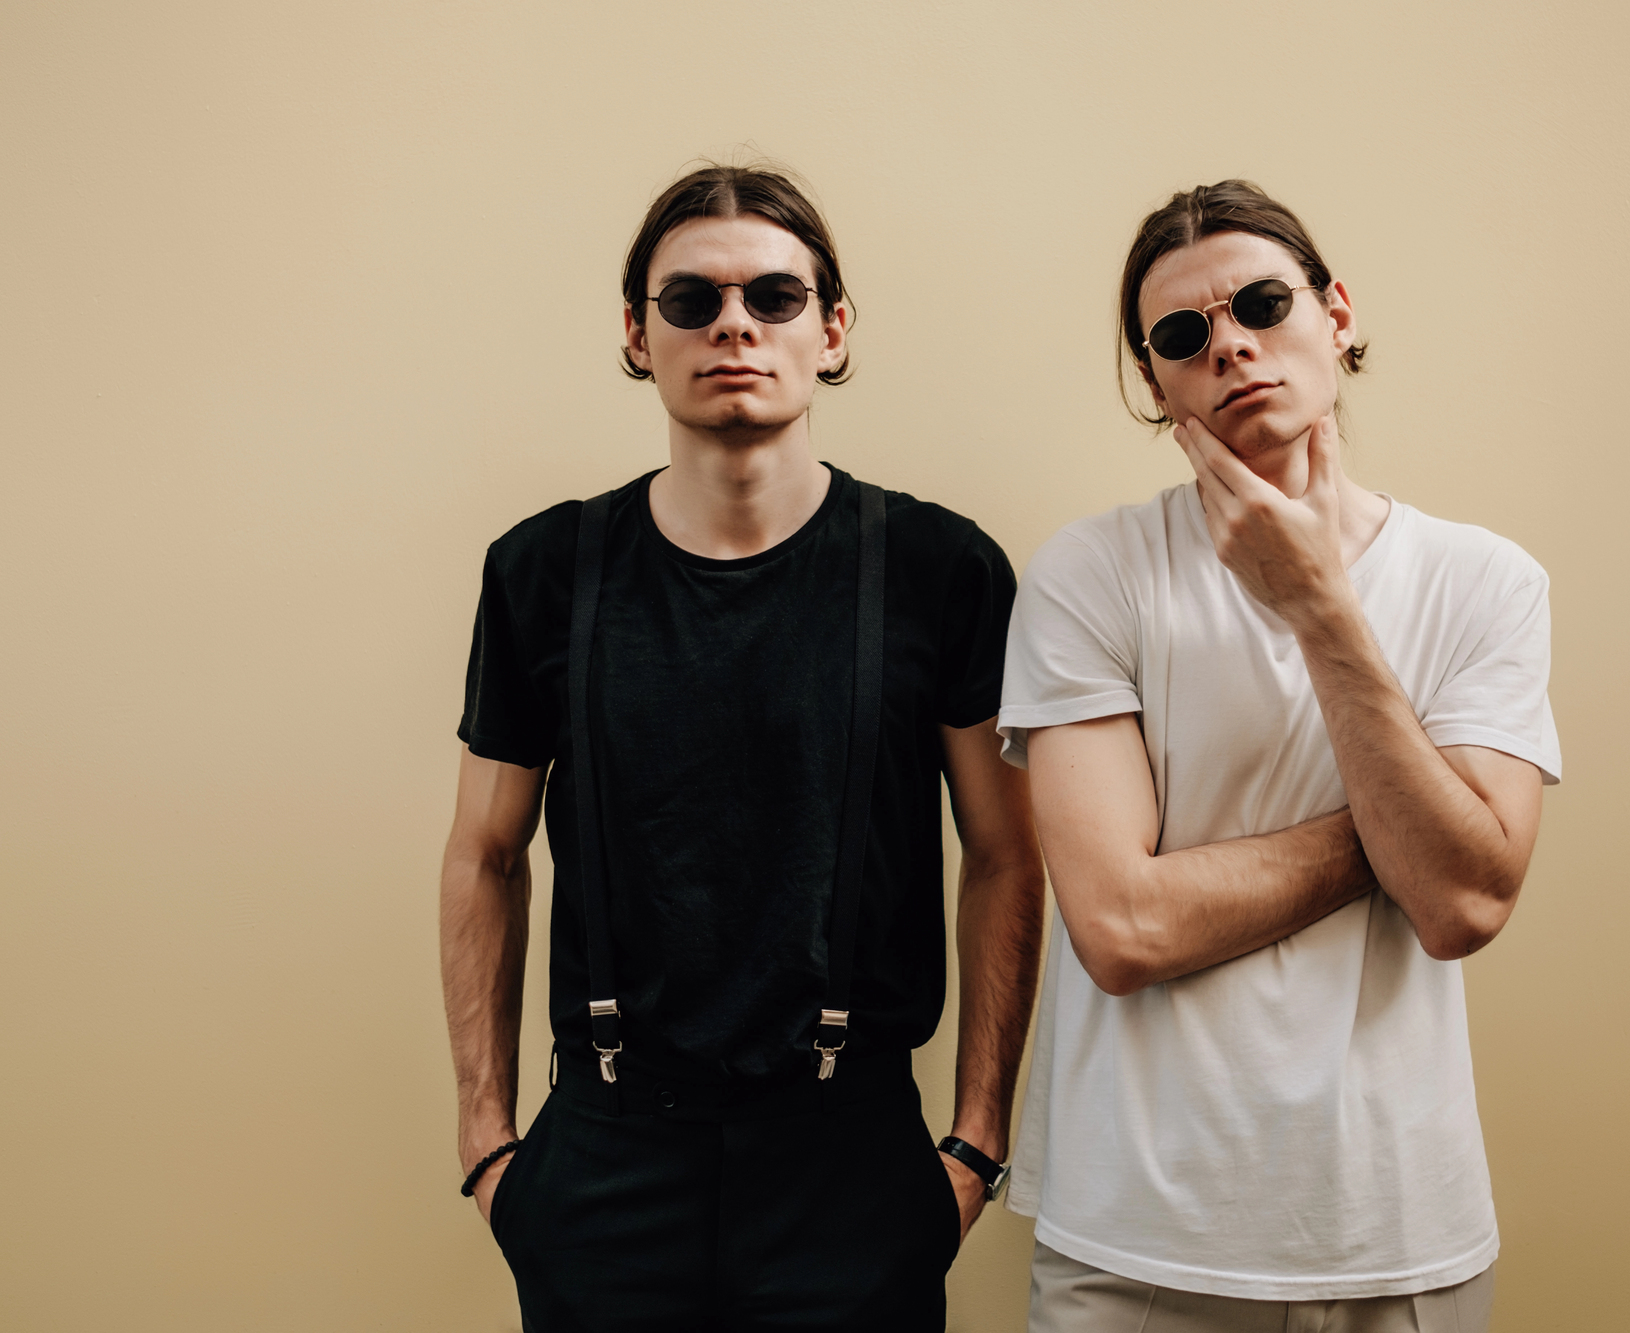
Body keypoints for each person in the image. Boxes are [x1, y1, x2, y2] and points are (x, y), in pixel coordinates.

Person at [439, 163, 1045, 1332]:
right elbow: (483, 853)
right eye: (690, 300)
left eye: (774, 296)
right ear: (636, 332)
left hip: (851, 1156)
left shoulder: (939, 569)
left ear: (830, 329)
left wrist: (973, 1142)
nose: (733, 324)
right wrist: (486, 1141)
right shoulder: (542, 574)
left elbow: (1007, 856)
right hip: (606, 1159)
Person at [998, 179, 1561, 1332]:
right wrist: (1408, 836)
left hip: (1394, 1237)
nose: (1232, 345)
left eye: (1263, 302)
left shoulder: (1484, 580)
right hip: (1133, 1248)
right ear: (1154, 383)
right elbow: (1121, 927)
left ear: (1336, 312)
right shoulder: (1088, 575)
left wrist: (1317, 606)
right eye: (1182, 334)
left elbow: (1459, 907)